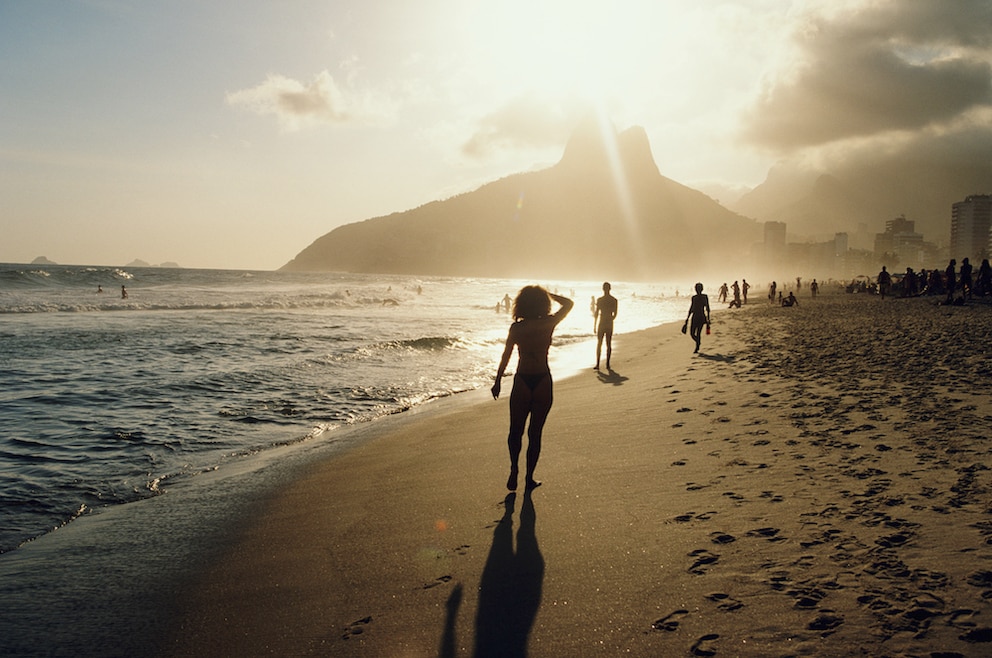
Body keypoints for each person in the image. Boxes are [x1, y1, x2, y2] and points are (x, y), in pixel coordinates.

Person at [492, 286, 573, 491]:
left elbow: (506, 355)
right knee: (535, 433)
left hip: (522, 381)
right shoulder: (549, 323)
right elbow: (569, 304)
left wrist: (498, 380)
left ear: (522, 304)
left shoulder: (516, 328)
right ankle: (529, 478)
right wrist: (549, 294)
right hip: (542, 381)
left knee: (515, 431)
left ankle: (513, 470)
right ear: (543, 303)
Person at [593, 282, 618, 370]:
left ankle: (598, 364)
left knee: (599, 343)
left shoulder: (600, 300)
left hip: (602, 322)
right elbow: (615, 314)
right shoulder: (614, 300)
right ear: (610, 289)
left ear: (603, 289)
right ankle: (607, 364)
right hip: (609, 323)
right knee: (608, 343)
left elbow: (596, 313)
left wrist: (594, 325)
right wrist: (610, 319)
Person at [683, 283, 711, 354]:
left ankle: (697, 347)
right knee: (692, 333)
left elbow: (707, 308)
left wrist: (708, 318)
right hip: (695, 316)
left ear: (701, 289)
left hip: (701, 316)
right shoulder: (694, 298)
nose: (697, 290)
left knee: (698, 333)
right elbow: (692, 307)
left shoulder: (704, 297)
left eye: (698, 288)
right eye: (696, 288)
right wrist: (687, 318)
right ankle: (698, 342)